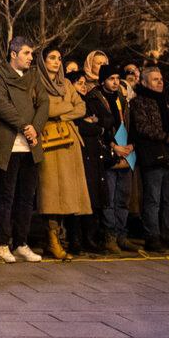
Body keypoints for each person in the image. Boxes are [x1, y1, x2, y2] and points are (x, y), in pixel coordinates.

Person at [0, 36, 50, 264]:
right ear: (13, 54)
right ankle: (3, 243)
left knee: (26, 197)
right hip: (9, 144)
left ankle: (21, 242)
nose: (31, 58)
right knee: (6, 196)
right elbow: (0, 104)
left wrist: (36, 127)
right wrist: (25, 126)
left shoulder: (34, 76)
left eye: (31, 54)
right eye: (26, 53)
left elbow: (44, 102)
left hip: (30, 146)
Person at [36, 47, 92, 260]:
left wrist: (59, 111)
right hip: (50, 144)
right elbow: (44, 110)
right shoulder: (36, 82)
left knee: (68, 194)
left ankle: (59, 237)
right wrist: (64, 108)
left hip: (69, 142)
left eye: (59, 58)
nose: (56, 61)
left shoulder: (66, 83)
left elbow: (81, 107)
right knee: (51, 194)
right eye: (52, 58)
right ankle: (51, 239)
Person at [131, 66, 169, 252]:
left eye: (161, 78)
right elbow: (143, 127)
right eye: (155, 79)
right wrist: (168, 138)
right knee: (153, 199)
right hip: (154, 155)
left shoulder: (168, 101)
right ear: (145, 82)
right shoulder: (140, 102)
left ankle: (167, 234)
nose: (160, 82)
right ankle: (152, 236)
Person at [84, 65, 133, 253]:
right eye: (111, 78)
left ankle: (122, 234)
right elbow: (99, 127)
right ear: (103, 80)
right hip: (108, 151)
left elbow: (130, 123)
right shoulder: (94, 99)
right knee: (109, 198)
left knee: (123, 197)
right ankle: (109, 235)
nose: (115, 82)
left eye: (117, 78)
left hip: (126, 150)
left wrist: (131, 145)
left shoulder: (123, 99)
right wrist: (114, 146)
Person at [67, 70, 107, 254]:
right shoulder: (68, 104)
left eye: (85, 83)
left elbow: (106, 121)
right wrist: (89, 124)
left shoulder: (91, 102)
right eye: (79, 83)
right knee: (78, 197)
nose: (83, 86)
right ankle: (74, 239)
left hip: (93, 154)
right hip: (77, 154)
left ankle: (89, 237)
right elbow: (77, 125)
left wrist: (93, 125)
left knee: (92, 196)